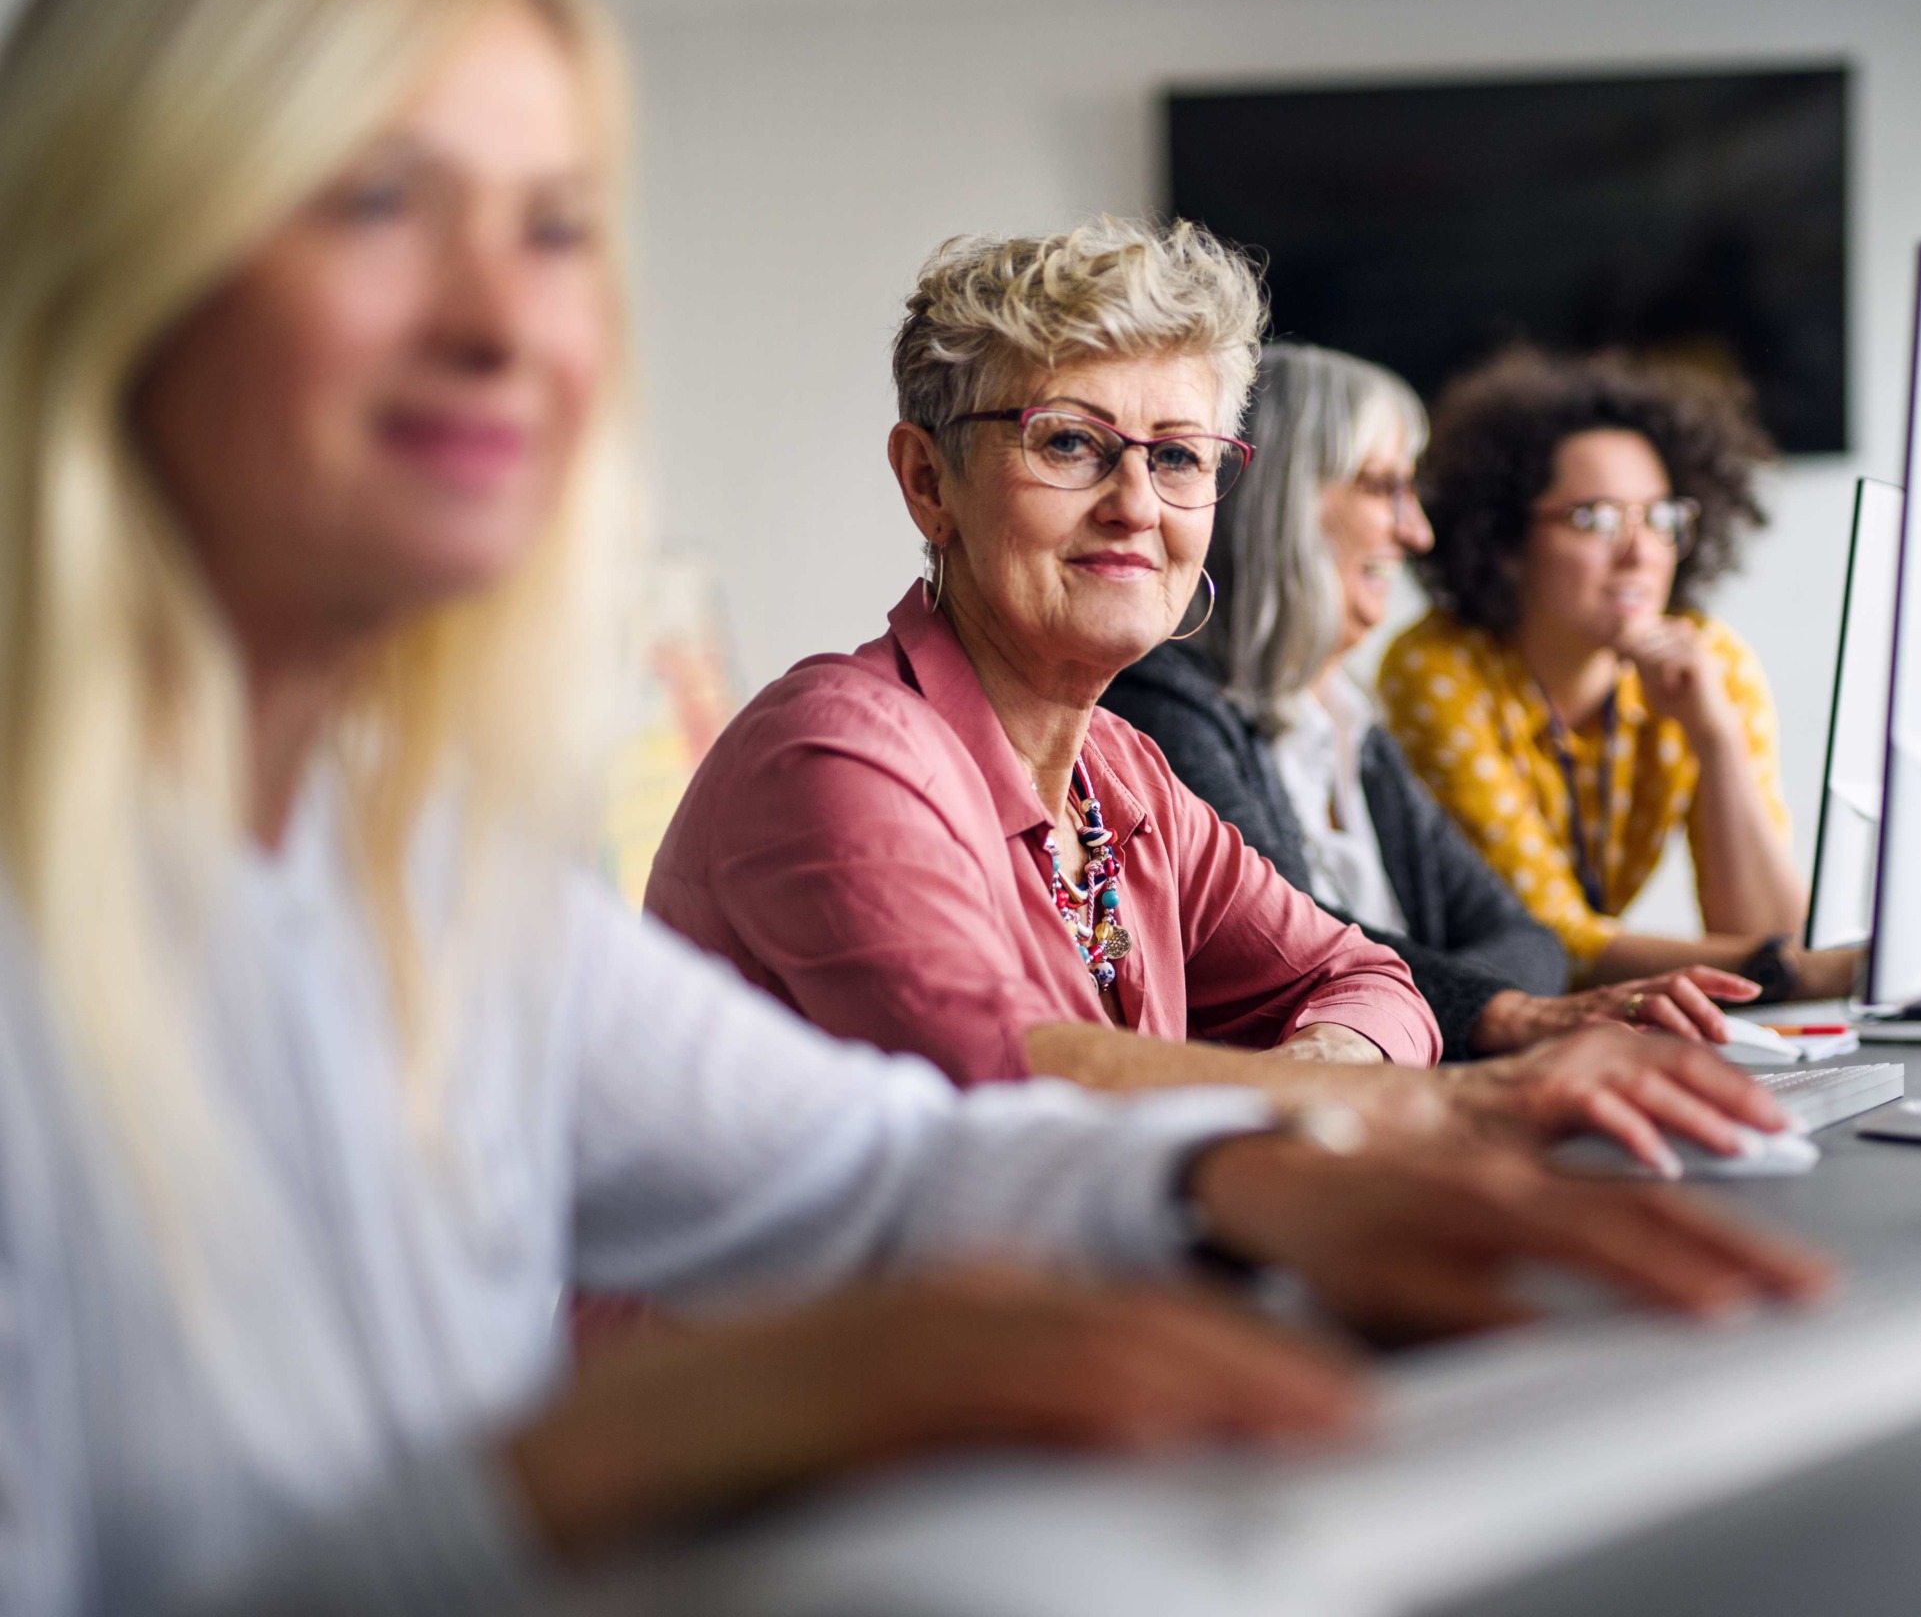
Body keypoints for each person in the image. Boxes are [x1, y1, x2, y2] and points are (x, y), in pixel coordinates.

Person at [0, 0, 1829, 1608]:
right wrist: (664, 1429)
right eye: (380, 200)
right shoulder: (829, 745)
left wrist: (1260, 1163)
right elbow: (976, 1086)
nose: (504, 324)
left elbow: (881, 1162)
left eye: (554, 229)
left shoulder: (406, 866)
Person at [648, 224, 1793, 1170]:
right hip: (790, 1423)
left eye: (1181, 456)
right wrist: (1442, 1105)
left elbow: (1365, 973)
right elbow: (1011, 1081)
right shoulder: (835, 754)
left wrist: (1326, 1077)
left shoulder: (1120, 773)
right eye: (1070, 443)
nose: (1137, 504)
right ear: (925, 480)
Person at [1102, 342, 1770, 1063]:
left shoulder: (1346, 722)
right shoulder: (1164, 701)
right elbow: (1295, 949)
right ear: (1282, 503)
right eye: (1382, 486)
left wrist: (1469, 1005)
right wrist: (1499, 1012)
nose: (1415, 531)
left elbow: (1529, 941)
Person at [1378, 347, 1860, 1001]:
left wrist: (1715, 741)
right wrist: (1827, 971)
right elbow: (1549, 938)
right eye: (1596, 519)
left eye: (1661, 519)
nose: (1640, 553)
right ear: (1507, 542)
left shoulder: (1709, 664)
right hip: (1449, 1018)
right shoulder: (1436, 670)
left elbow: (1768, 934)